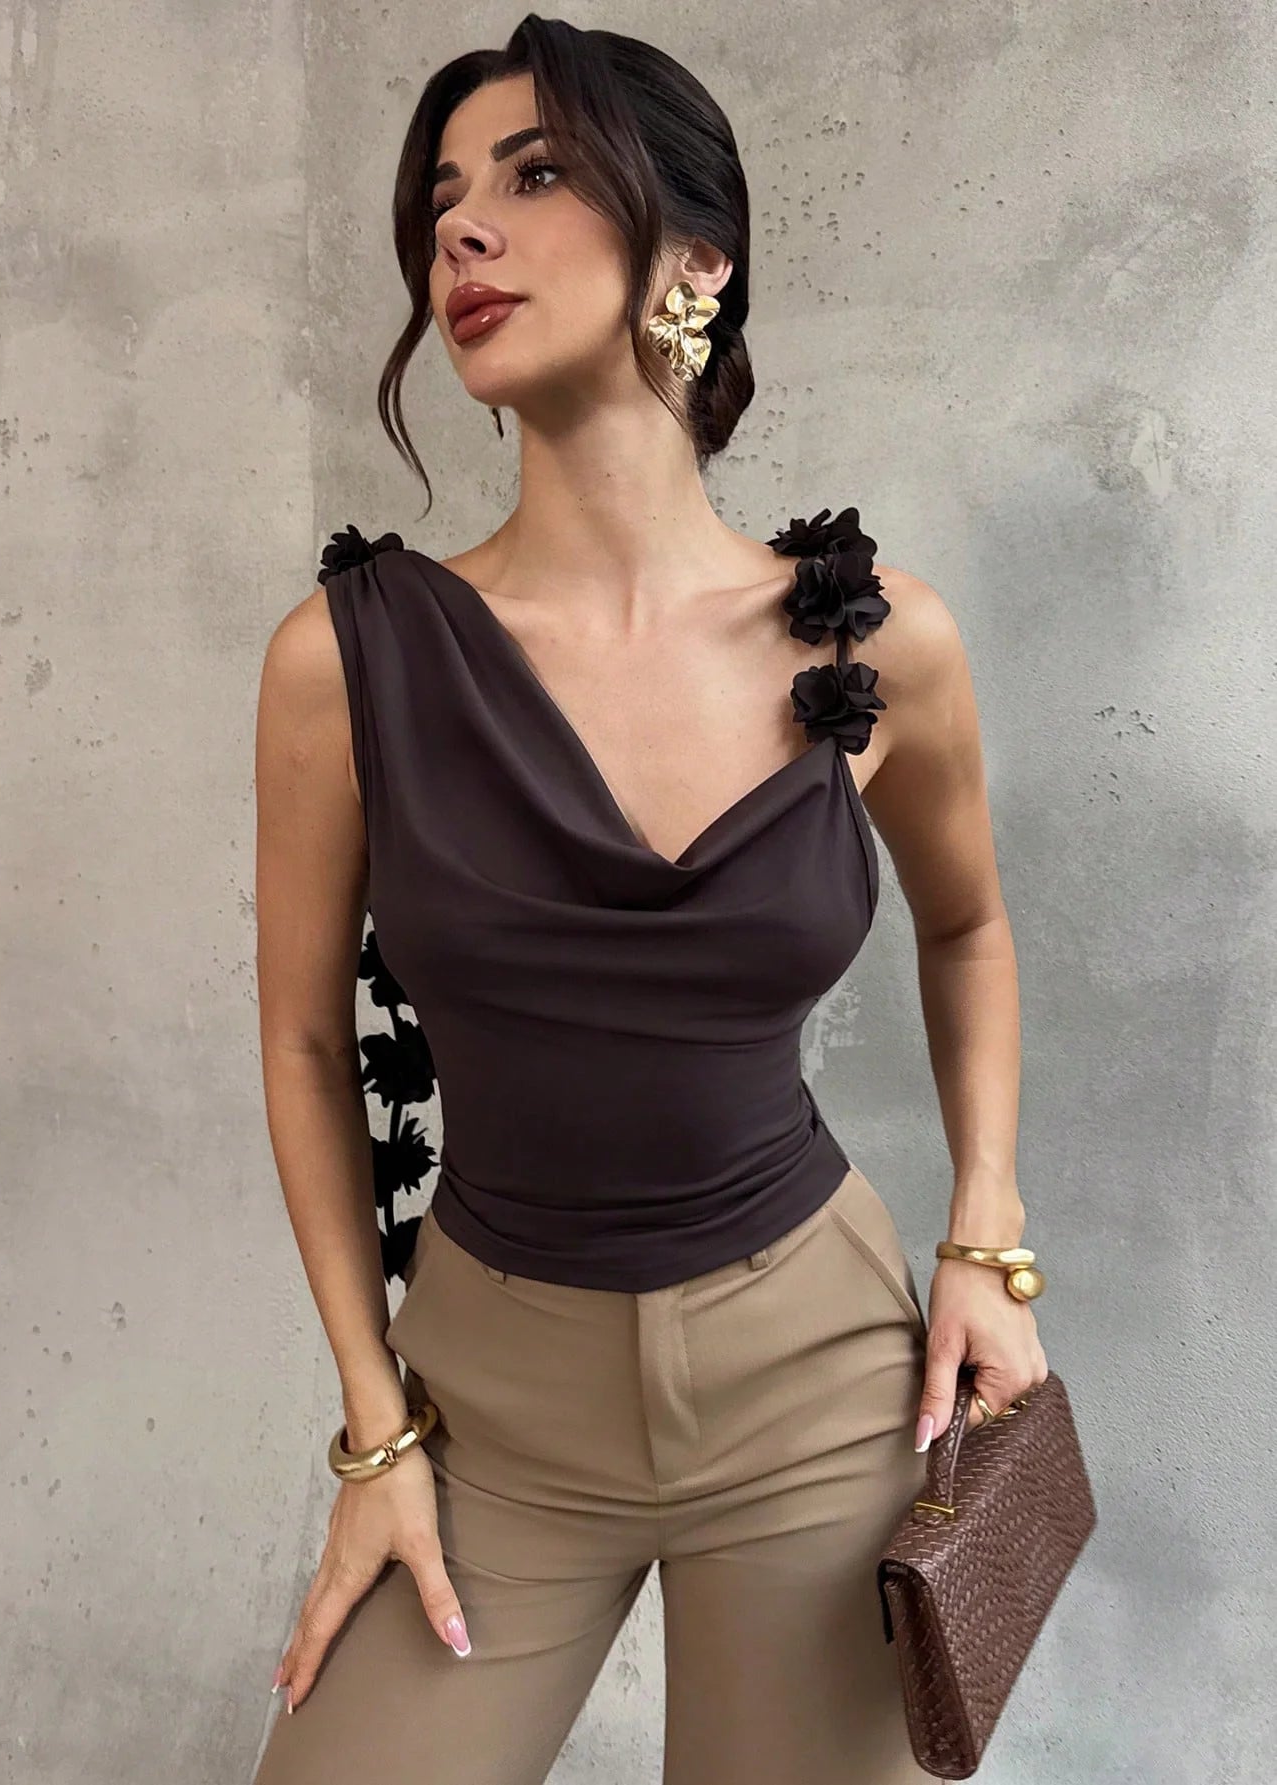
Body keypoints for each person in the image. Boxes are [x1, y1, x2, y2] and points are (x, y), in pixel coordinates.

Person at [250, 15, 1048, 1783]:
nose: (463, 228)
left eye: (534, 175)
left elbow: (972, 927)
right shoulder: (347, 659)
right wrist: (375, 1428)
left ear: (697, 259)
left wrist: (987, 1236)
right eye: (442, 199)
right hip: (488, 1409)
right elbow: (304, 1043)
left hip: (819, 1388)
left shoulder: (875, 643)